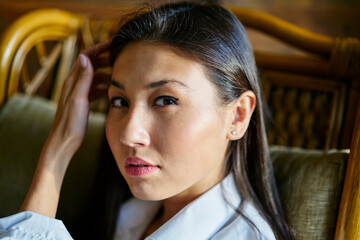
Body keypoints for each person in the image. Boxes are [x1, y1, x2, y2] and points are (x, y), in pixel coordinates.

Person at [0, 2, 293, 239]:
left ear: (238, 115)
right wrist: (60, 142)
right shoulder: (126, 214)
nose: (129, 134)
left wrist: (57, 153)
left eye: (166, 100)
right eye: (120, 101)